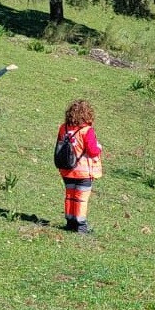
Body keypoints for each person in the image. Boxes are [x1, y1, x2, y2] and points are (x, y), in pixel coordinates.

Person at [57, 100, 103, 233]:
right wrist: (99, 147)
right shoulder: (86, 131)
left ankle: (70, 222)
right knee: (81, 198)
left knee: (70, 196)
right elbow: (93, 151)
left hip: (67, 169)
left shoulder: (63, 128)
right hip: (83, 172)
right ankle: (81, 226)